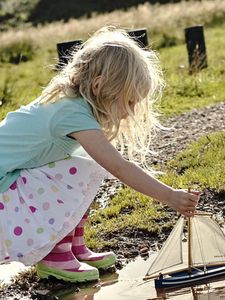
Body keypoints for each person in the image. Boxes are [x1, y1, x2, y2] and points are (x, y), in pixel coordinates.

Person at [0, 26, 199, 283]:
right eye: (128, 102)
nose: (129, 112)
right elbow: (119, 167)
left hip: (9, 182)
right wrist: (170, 196)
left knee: (84, 166)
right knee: (84, 168)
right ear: (98, 86)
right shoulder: (71, 113)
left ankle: (72, 246)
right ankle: (55, 255)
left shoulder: (72, 101)